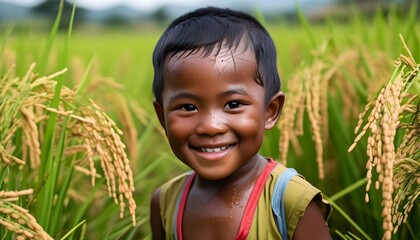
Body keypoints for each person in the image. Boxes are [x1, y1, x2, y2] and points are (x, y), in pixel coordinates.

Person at [150, 6, 331, 240]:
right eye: (188, 107)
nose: (211, 126)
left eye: (233, 105)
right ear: (162, 117)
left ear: (270, 111)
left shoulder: (291, 201)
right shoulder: (165, 202)